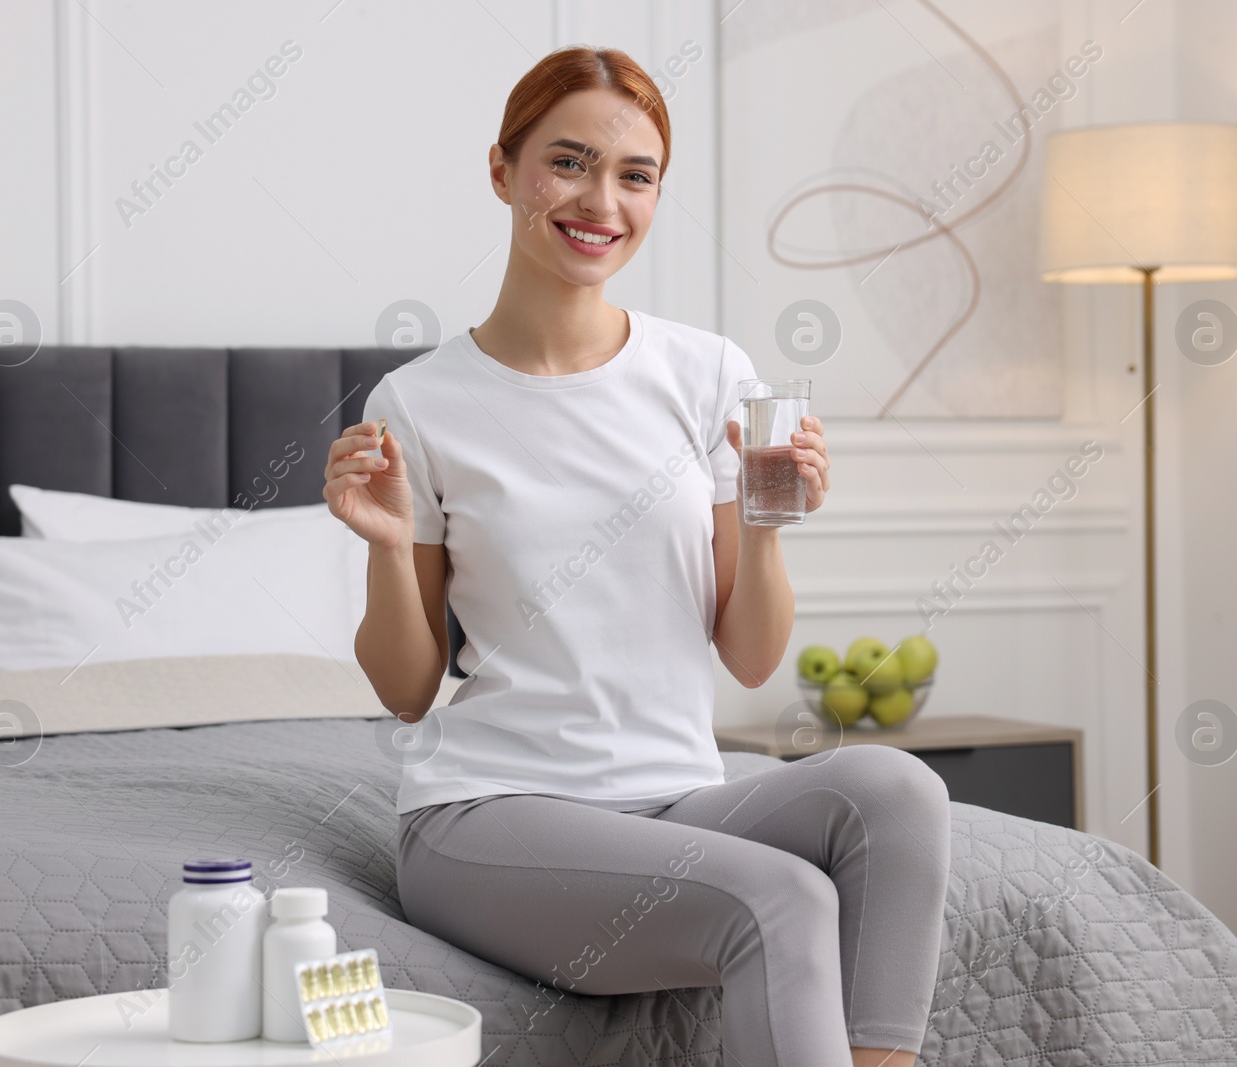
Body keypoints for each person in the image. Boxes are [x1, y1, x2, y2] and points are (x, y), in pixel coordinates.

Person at [324, 44, 951, 1067]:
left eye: (634, 174)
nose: (600, 201)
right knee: (779, 893)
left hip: (676, 793)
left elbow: (748, 659)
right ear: (502, 172)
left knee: (899, 792)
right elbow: (405, 690)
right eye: (567, 162)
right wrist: (390, 550)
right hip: (488, 812)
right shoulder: (420, 401)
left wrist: (763, 518)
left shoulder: (708, 372)